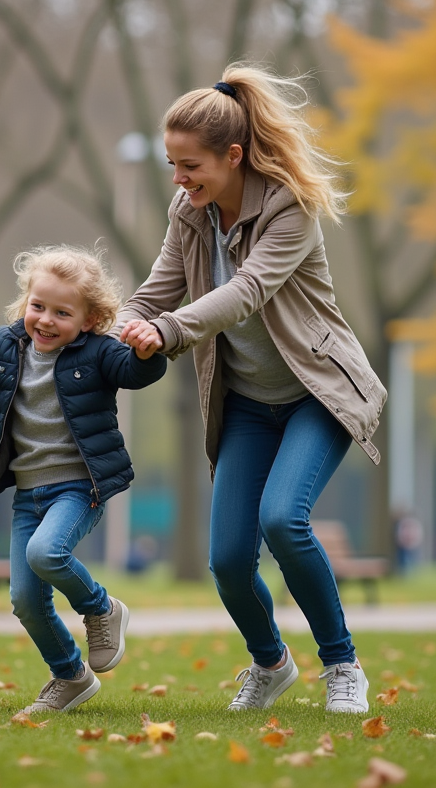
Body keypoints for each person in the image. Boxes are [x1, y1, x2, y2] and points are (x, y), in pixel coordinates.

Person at [117, 64, 386, 714]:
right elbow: (158, 289)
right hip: (244, 405)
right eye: (172, 165)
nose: (179, 180)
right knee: (230, 559)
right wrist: (120, 323)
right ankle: (270, 665)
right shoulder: (191, 210)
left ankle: (342, 665)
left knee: (282, 519)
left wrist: (168, 331)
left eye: (190, 165)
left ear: (233, 156)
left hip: (314, 394)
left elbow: (245, 294)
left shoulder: (288, 205)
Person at [0, 244, 166, 714]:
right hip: (29, 495)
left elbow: (135, 372)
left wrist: (148, 352)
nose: (46, 320)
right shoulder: (7, 346)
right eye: (38, 306)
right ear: (25, 303)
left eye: (62, 313)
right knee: (25, 599)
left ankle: (101, 608)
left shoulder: (99, 353)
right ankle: (69, 675)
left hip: (79, 487)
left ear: (90, 320)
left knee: (46, 553)